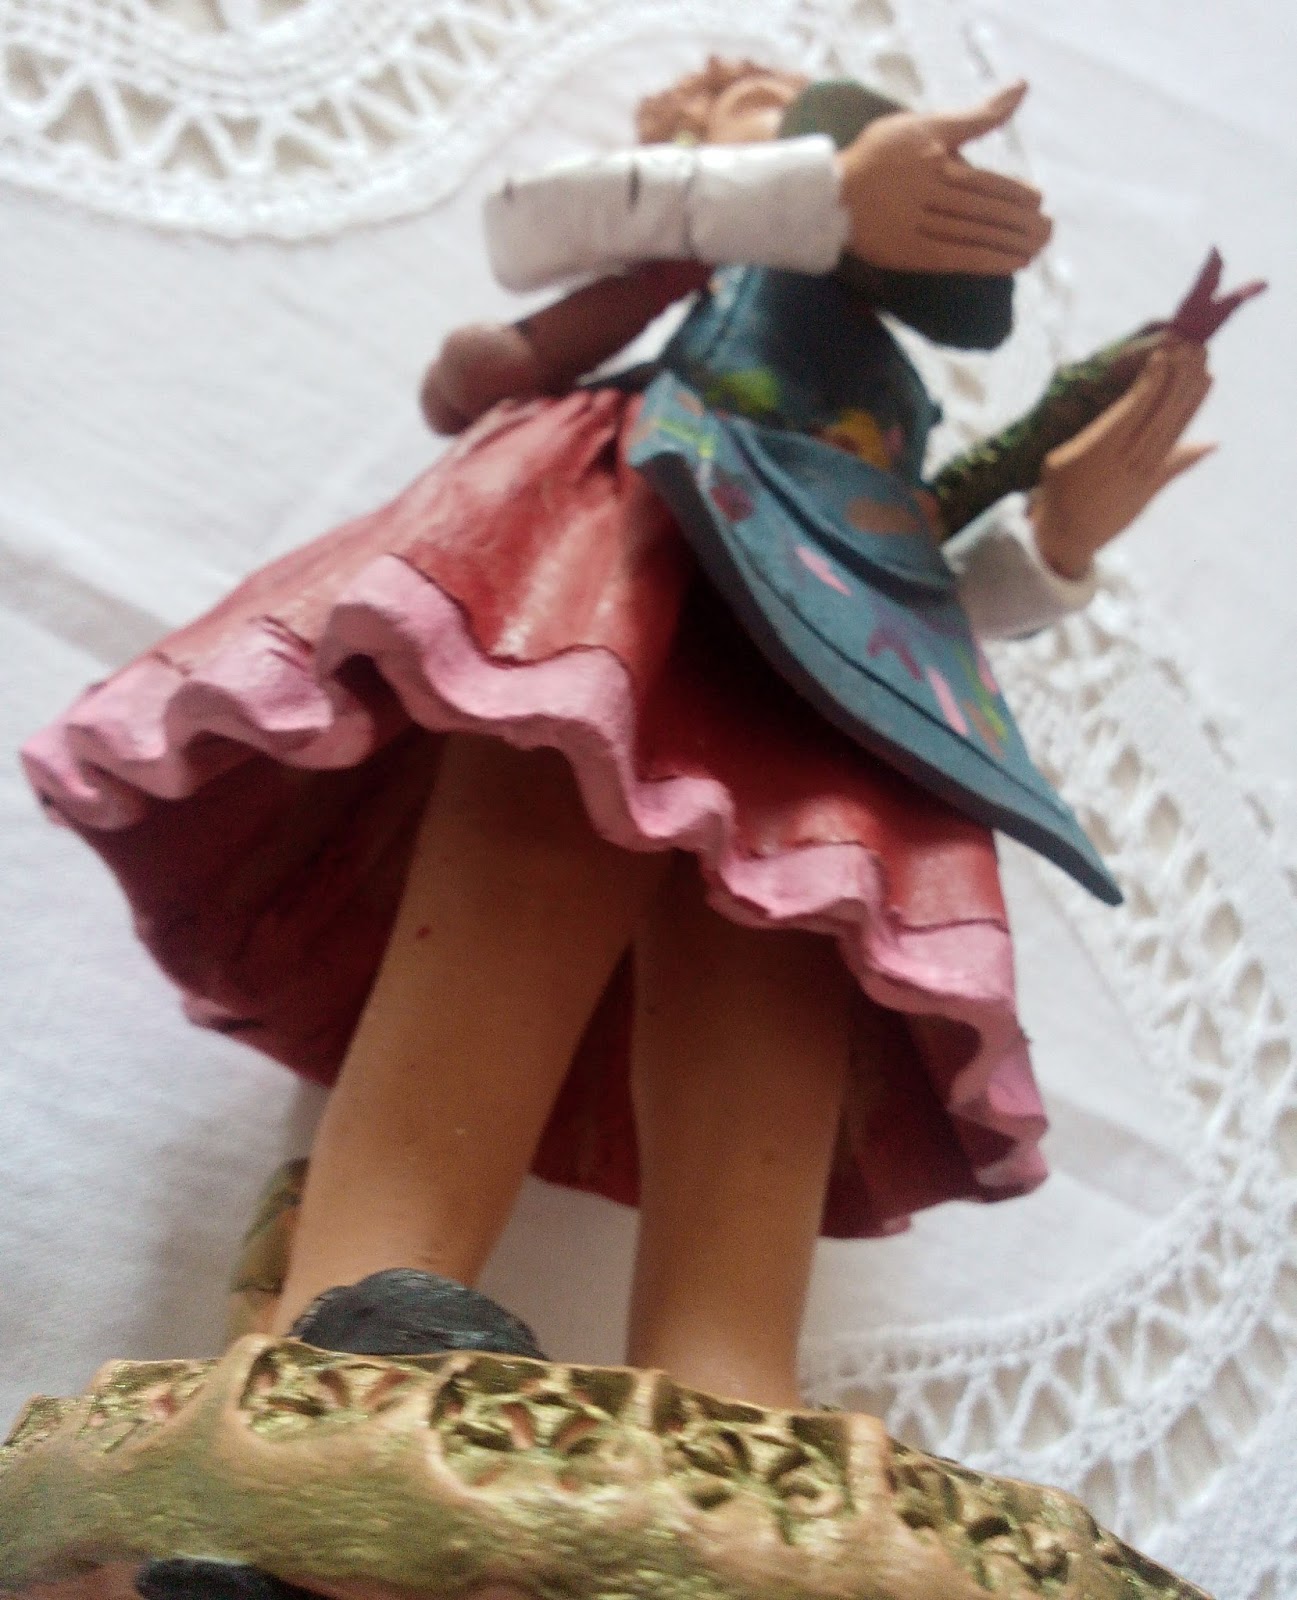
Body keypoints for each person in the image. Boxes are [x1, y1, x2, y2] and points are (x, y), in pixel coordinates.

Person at [9, 57, 1244, 1600]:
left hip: (828, 671)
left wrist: (1055, 543)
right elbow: (502, 300)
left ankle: (733, 1416)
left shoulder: (883, 387)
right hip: (626, 570)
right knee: (531, 856)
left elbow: (908, 573)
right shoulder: (695, 251)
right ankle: (359, 1320)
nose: (796, 118)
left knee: (793, 952)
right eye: (755, 105)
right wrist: (803, 195)